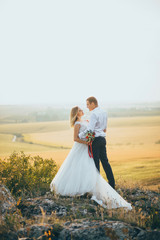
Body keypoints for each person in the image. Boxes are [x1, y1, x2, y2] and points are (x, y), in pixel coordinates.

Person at [50, 106, 132, 210]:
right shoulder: (77, 124)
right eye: (80, 110)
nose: (82, 110)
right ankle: (78, 188)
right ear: (76, 113)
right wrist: (87, 142)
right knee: (78, 166)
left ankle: (88, 187)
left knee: (87, 167)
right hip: (81, 148)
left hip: (87, 147)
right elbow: (75, 138)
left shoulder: (84, 121)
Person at [79, 96, 115, 189]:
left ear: (93, 103)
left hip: (95, 140)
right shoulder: (104, 112)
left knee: (95, 164)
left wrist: (80, 136)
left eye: (88, 104)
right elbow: (105, 129)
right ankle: (112, 184)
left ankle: (97, 187)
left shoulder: (93, 114)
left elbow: (90, 130)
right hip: (103, 139)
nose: (87, 107)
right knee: (105, 162)